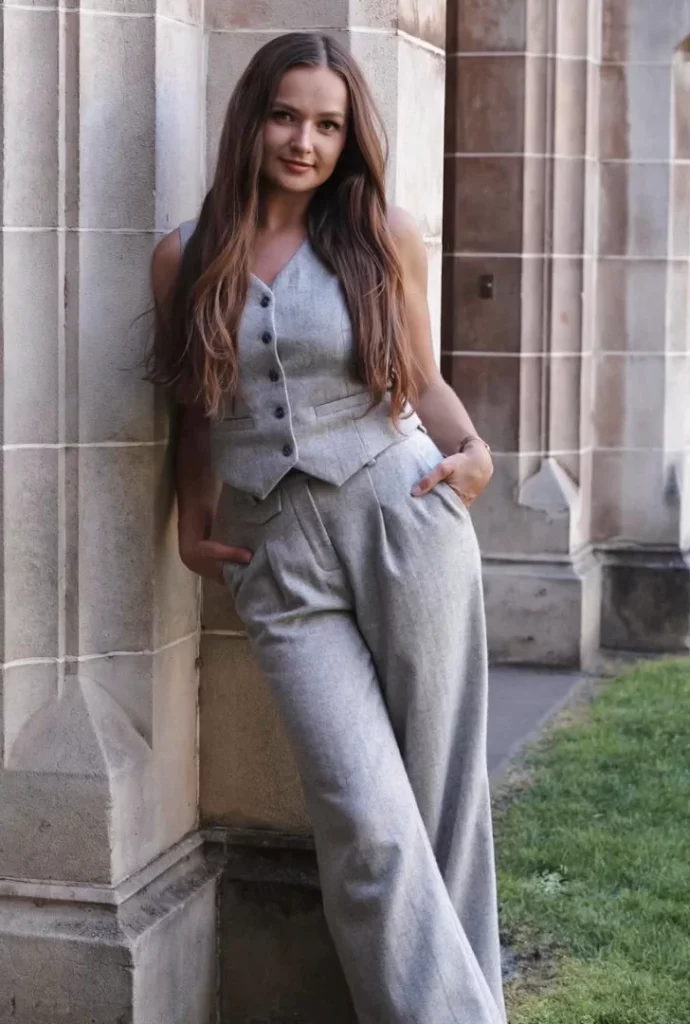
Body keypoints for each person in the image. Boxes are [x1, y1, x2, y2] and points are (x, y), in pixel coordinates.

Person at [146, 31, 506, 1024]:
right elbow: (191, 407)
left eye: (328, 123)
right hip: (276, 558)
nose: (305, 140)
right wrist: (191, 527)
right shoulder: (185, 252)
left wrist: (472, 450)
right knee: (365, 816)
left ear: (349, 136)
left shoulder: (382, 233)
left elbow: (420, 378)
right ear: (252, 119)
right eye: (286, 116)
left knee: (442, 803)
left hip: (405, 521)